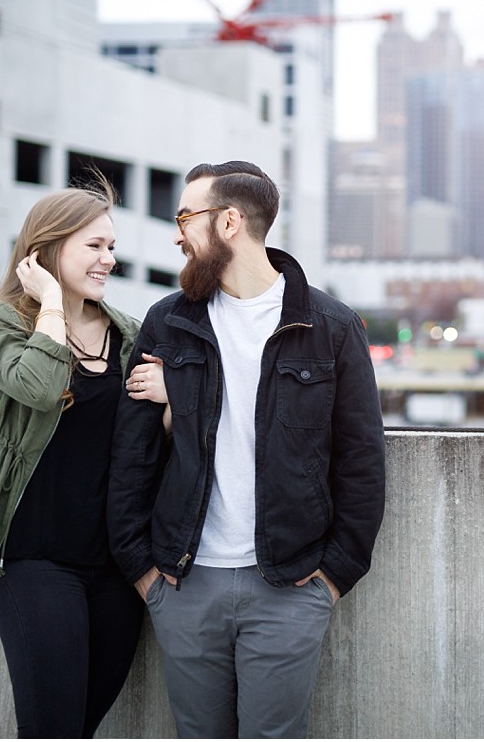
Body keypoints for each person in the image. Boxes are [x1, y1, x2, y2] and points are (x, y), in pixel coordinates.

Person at [108, 161, 386, 739]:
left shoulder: (329, 326)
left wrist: (334, 576)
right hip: (184, 581)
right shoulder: (168, 322)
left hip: (289, 585)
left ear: (229, 222)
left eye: (186, 217)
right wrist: (143, 572)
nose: (177, 233)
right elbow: (131, 458)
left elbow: (361, 462)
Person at [0, 180, 164, 738]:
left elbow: (152, 438)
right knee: (50, 727)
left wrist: (171, 392)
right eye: (94, 246)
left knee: (80, 726)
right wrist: (53, 305)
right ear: (48, 250)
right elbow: (38, 385)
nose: (109, 259)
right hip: (35, 560)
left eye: (111, 247)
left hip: (116, 564)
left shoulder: (127, 334)